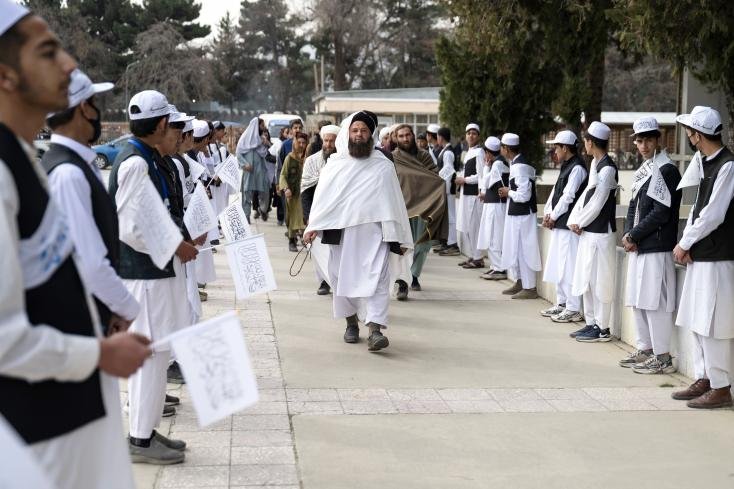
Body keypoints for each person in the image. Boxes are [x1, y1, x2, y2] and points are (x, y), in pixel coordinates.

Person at [0, 4, 150, 488]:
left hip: (68, 420)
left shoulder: (23, 158)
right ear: (5, 75)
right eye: (48, 51)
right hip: (37, 439)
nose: (69, 64)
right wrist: (100, 355)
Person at [108, 90, 198, 464]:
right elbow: (132, 228)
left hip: (156, 274)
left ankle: (144, 428)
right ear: (161, 124)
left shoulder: (146, 159)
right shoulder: (135, 164)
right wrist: (176, 245)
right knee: (149, 355)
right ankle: (140, 440)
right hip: (145, 276)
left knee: (158, 353)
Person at [303, 110, 412, 352]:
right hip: (342, 236)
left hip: (376, 236)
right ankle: (351, 323)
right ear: (348, 134)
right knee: (342, 280)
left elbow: (394, 202)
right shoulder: (335, 165)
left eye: (363, 130)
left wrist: (401, 235)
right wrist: (313, 226)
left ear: (370, 134)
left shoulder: (383, 165)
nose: (359, 135)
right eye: (355, 130)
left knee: (379, 281)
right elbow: (324, 201)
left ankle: (375, 330)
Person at [43, 69, 140, 335]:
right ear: (84, 108)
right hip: (79, 320)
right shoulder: (68, 173)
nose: (98, 112)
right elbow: (90, 261)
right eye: (95, 104)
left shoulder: (75, 164)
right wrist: (127, 308)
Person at [672, 106, 734, 408]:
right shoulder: (706, 161)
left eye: (689, 130)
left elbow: (713, 215)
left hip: (718, 258)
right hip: (701, 255)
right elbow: (699, 209)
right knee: (698, 319)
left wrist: (684, 243)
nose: (687, 135)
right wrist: (688, 244)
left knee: (714, 322)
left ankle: (722, 387)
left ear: (697, 134)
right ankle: (705, 377)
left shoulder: (728, 166)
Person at [618, 116, 681, 374]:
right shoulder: (645, 169)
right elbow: (633, 205)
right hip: (640, 246)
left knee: (655, 302)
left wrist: (634, 236)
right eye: (640, 141)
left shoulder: (666, 170)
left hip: (656, 247)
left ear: (659, 140)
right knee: (638, 300)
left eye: (648, 140)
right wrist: (627, 235)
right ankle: (645, 348)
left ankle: (662, 356)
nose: (643, 145)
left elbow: (660, 212)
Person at [567, 121, 618, 342]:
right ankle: (591, 323)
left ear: (592, 142)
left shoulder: (608, 168)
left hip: (601, 233)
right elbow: (588, 192)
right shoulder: (595, 164)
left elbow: (598, 202)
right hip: (589, 231)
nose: (584, 145)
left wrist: (580, 221)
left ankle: (603, 327)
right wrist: (575, 220)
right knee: (586, 277)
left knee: (601, 281)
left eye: (586, 141)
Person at [392, 124, 447, 294]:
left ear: (413, 136)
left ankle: (414, 275)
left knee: (422, 245)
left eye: (408, 135)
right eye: (401, 136)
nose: (405, 139)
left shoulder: (425, 157)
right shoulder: (392, 158)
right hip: (402, 209)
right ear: (396, 139)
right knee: (403, 246)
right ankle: (403, 281)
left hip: (424, 209)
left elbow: (435, 179)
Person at [540, 130, 587, 321]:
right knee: (559, 265)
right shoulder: (567, 166)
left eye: (556, 148)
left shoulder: (577, 168)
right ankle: (561, 303)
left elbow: (568, 196)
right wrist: (548, 213)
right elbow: (556, 192)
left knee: (568, 266)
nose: (554, 152)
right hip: (559, 223)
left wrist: (553, 215)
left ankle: (573, 307)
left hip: (568, 225)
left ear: (565, 148)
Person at [498, 133, 541, 299]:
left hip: (523, 216)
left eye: (502, 147)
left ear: (506, 149)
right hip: (517, 214)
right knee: (516, 248)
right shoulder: (515, 164)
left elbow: (524, 195)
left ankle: (530, 288)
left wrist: (508, 192)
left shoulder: (519, 167)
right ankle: (521, 281)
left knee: (525, 249)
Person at [302, 124, 340, 295]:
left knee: (334, 250)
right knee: (317, 248)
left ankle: (336, 280)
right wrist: (308, 216)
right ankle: (323, 282)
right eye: (326, 140)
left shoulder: (343, 162)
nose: (329, 144)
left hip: (336, 213)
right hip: (316, 212)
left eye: (332, 141)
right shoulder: (311, 162)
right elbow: (305, 190)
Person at [477, 136, 510, 280]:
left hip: (496, 206)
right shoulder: (498, 163)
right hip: (493, 205)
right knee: (490, 235)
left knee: (494, 236)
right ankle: (494, 266)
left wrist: (485, 167)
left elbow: (486, 182)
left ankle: (499, 268)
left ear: (488, 152)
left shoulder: (497, 164)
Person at [454, 123, 485, 268]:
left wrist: (464, 180)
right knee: (467, 226)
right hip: (466, 193)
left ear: (478, 136)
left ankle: (478, 258)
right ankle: (473, 256)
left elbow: (481, 175)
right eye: (468, 133)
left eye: (474, 133)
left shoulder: (479, 152)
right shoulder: (468, 152)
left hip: (474, 195)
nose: (471, 135)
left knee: (474, 226)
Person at [237, 117, 272, 222]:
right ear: (256, 126)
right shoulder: (245, 139)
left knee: (265, 191)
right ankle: (246, 215)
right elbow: (239, 153)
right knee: (246, 194)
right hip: (249, 171)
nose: (263, 127)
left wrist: (266, 143)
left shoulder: (261, 139)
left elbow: (267, 153)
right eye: (261, 125)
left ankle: (263, 209)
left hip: (260, 170)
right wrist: (244, 164)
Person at [280, 131, 308, 252]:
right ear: (295, 142)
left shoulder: (308, 158)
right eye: (299, 142)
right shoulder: (289, 158)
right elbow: (283, 175)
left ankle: (304, 238)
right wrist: (286, 188)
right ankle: (292, 240)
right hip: (292, 194)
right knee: (290, 218)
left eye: (304, 142)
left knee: (303, 217)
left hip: (304, 193)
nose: (301, 145)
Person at [436, 127, 460, 256]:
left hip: (448, 188)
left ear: (441, 137)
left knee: (451, 216)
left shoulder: (448, 152)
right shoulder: (445, 151)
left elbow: (449, 169)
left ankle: (452, 244)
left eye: (438, 137)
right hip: (444, 187)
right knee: (447, 216)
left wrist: (437, 177)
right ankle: (446, 242)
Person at [277, 119, 304, 226]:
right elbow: (279, 166)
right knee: (288, 211)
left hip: (302, 183)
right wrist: (278, 184)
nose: (298, 130)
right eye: (295, 128)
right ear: (291, 130)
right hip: (287, 183)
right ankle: (291, 237)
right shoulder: (285, 145)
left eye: (300, 128)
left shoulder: (306, 144)